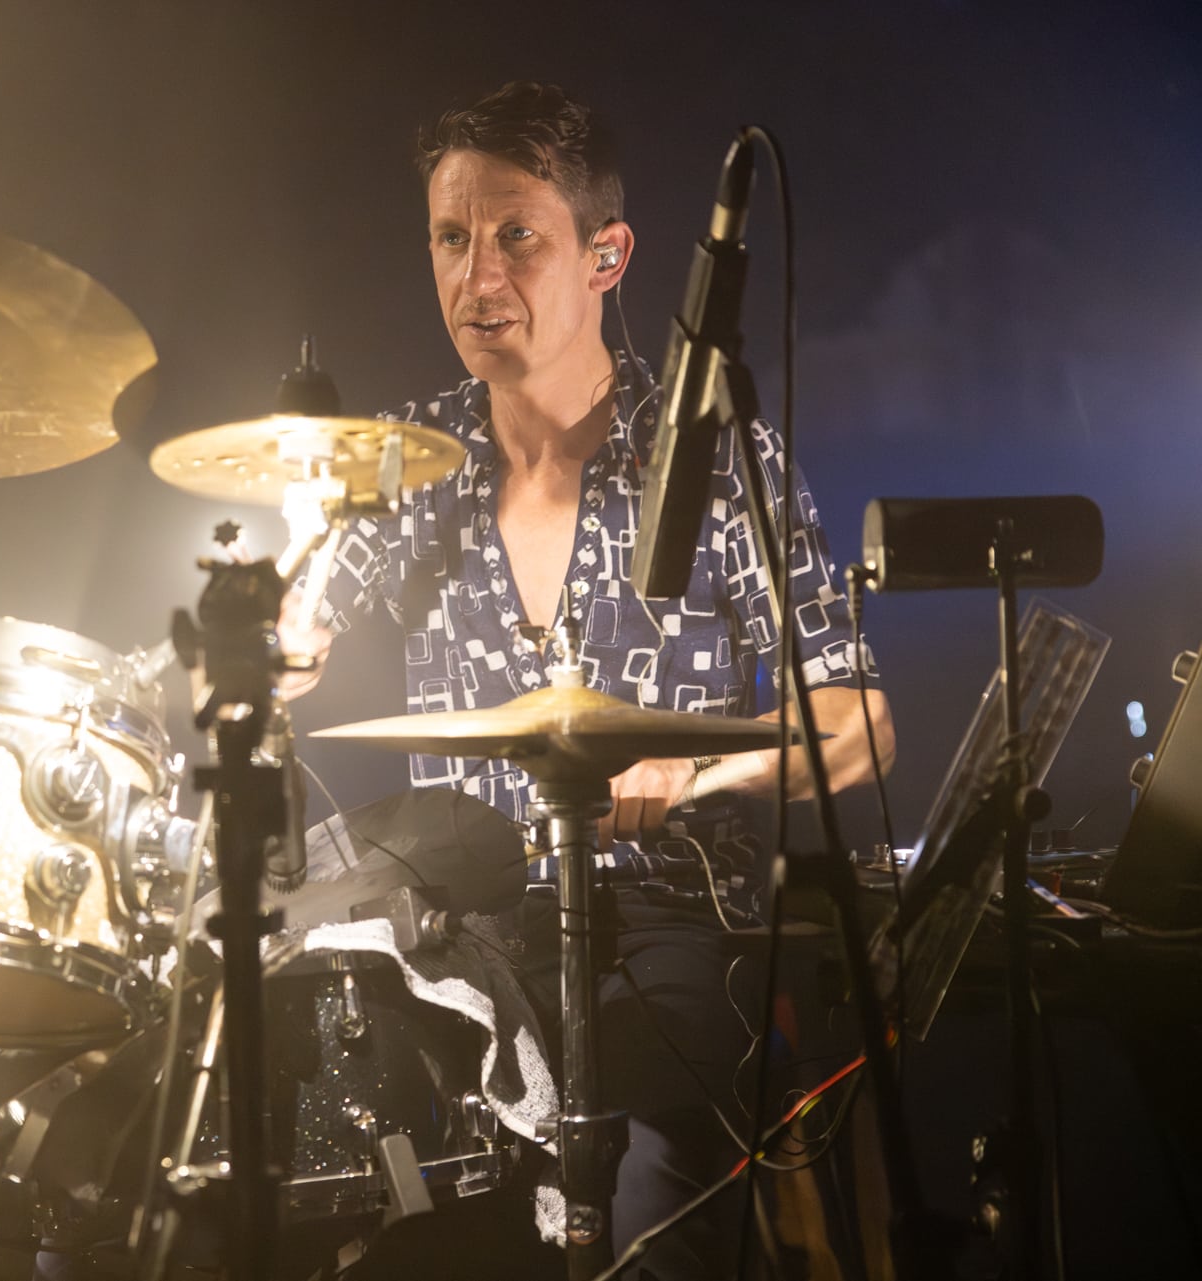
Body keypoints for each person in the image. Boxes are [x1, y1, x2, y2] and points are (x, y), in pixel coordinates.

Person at [281, 82, 894, 1279]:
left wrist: (696, 775)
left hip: (665, 918)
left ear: (606, 256)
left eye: (517, 235)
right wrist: (278, 647)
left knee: (648, 1187)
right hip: (454, 928)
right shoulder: (404, 464)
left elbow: (855, 721)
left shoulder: (719, 458)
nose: (477, 276)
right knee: (353, 1166)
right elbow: (288, 644)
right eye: (450, 239)